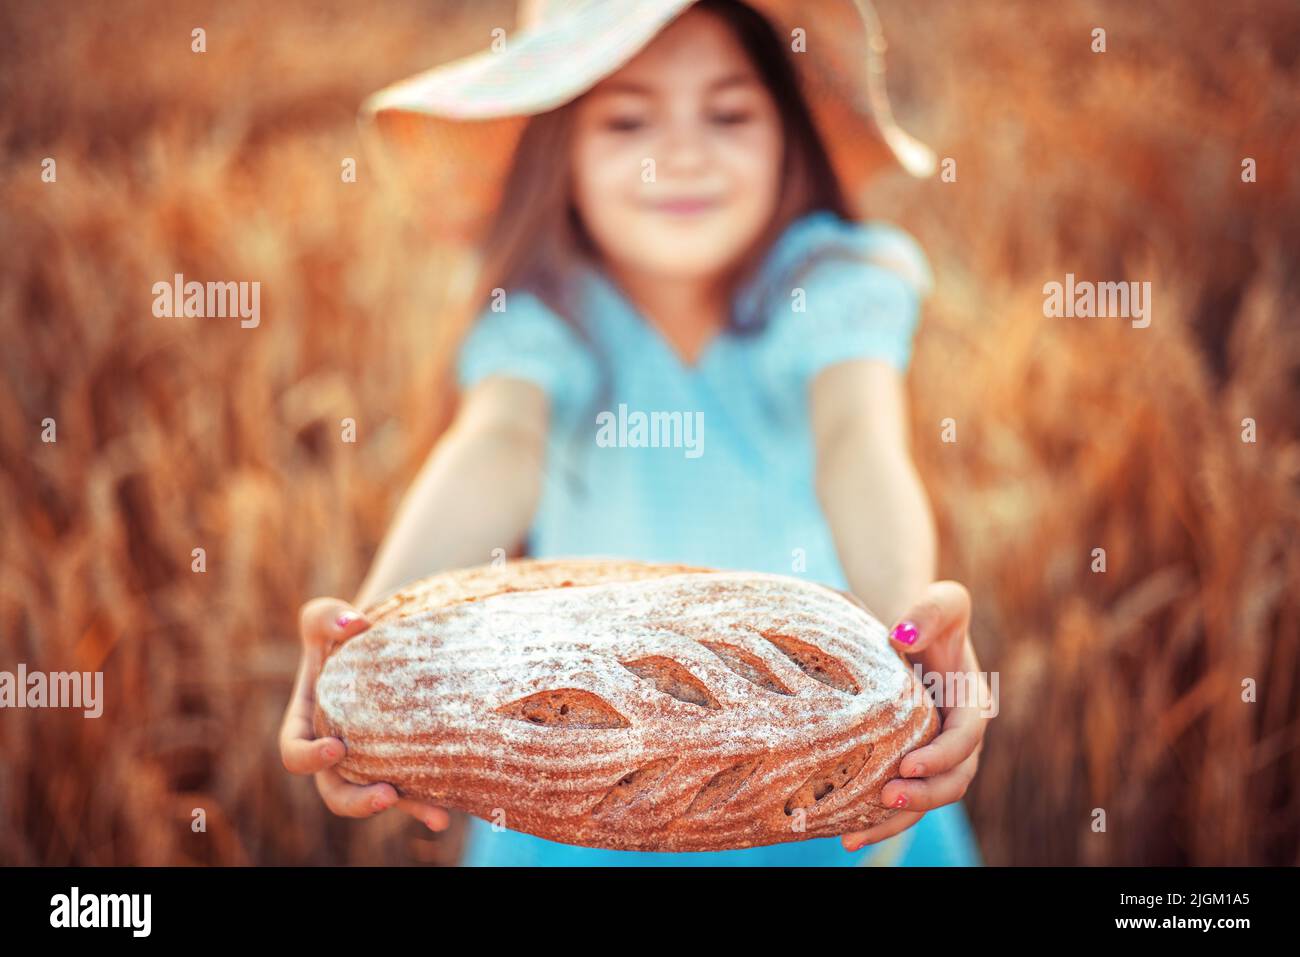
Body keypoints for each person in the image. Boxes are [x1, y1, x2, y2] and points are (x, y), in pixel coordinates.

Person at [280, 0, 989, 866]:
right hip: (577, 788)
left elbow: (860, 447)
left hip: (812, 754)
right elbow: (498, 445)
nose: (682, 151)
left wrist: (908, 618)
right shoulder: (546, 309)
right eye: (627, 118)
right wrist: (366, 635)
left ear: (786, 134)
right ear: (562, 146)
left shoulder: (828, 286)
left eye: (728, 113)